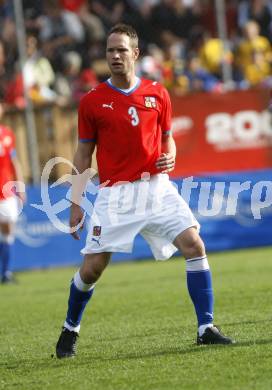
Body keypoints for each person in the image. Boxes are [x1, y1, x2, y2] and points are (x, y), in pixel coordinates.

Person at [55, 23, 234, 358]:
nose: (115, 56)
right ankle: (70, 329)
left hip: (157, 188)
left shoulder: (158, 93)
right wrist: (76, 201)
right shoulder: (93, 101)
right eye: (110, 50)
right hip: (115, 195)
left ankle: (206, 327)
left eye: (122, 50)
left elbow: (168, 139)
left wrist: (171, 157)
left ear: (135, 54)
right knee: (93, 267)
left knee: (194, 243)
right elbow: (82, 153)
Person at [0, 102, 25, 283]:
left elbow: (14, 161)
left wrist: (20, 185)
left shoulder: (7, 134)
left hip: (6, 190)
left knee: (8, 229)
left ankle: (6, 272)